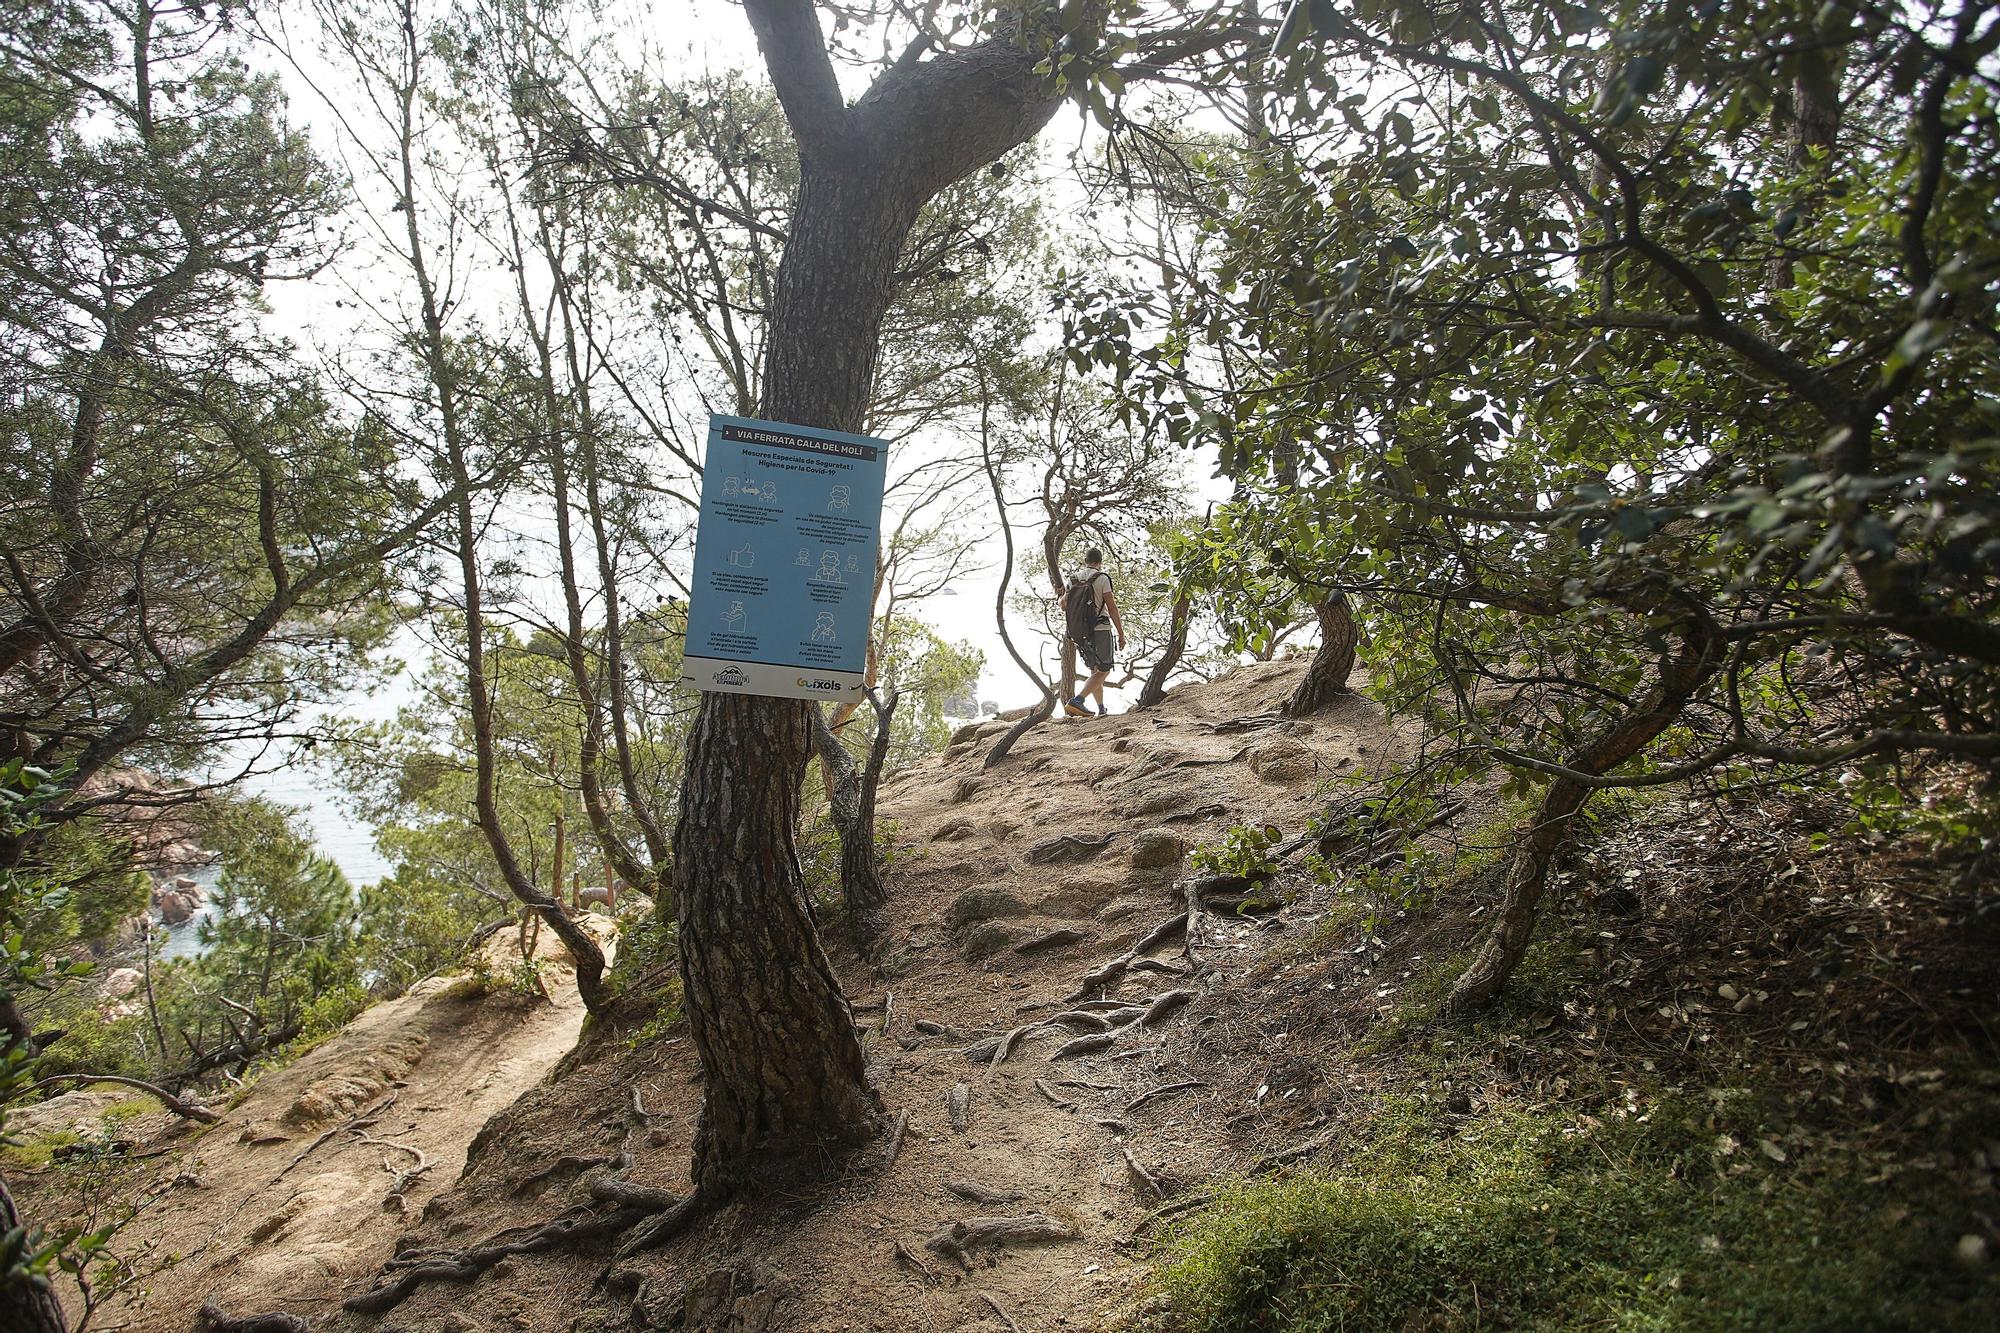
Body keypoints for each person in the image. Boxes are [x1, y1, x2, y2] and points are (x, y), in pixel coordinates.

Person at [1064, 548, 1124, 717]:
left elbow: (1064, 604)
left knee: (1095, 670)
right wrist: (1121, 633)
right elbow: (1111, 607)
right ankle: (1077, 701)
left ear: (1085, 560)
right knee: (1104, 670)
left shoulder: (1073, 579)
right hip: (1100, 629)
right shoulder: (1102, 578)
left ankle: (1101, 708)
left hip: (1081, 631)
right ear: (1100, 562)